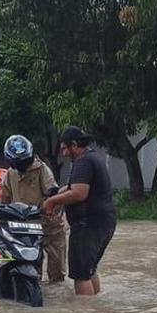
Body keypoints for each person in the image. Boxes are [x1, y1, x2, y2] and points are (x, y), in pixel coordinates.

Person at [41, 126, 115, 295]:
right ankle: (94, 308)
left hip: (87, 225)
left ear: (74, 145)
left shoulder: (83, 161)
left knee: (81, 275)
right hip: (104, 222)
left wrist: (51, 201)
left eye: (65, 148)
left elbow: (79, 193)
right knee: (90, 270)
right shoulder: (94, 157)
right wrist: (61, 192)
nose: (64, 153)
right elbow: (75, 186)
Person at [3, 135, 66, 283]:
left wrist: (47, 206)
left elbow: (53, 191)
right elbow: (5, 200)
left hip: (49, 226)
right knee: (29, 268)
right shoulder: (10, 174)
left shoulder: (42, 169)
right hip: (24, 227)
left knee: (57, 273)